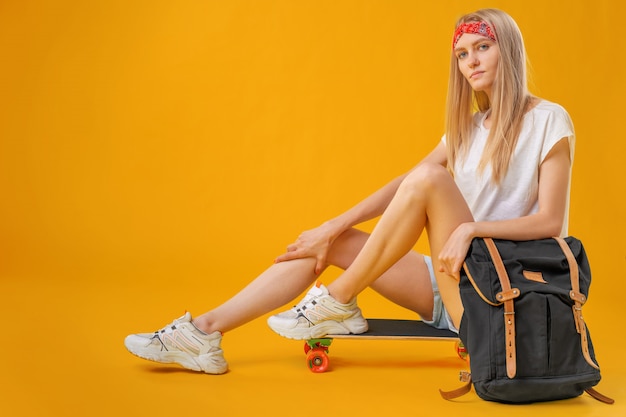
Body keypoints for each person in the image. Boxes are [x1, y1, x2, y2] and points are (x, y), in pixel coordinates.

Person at [124, 8, 575, 375]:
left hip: (499, 294)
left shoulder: (548, 119)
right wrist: (333, 226)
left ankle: (337, 300)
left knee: (430, 178)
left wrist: (471, 228)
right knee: (330, 241)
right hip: (447, 281)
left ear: (508, 51)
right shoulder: (467, 129)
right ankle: (203, 333)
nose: (471, 61)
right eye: (461, 54)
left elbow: (550, 223)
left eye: (482, 47)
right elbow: (407, 184)